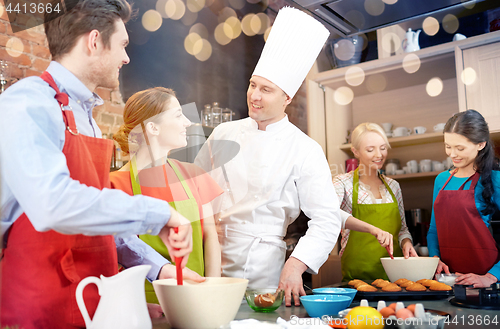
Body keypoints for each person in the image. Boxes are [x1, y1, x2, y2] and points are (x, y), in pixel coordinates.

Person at [0, 1, 194, 328]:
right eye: (122, 45)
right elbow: (55, 204)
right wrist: (159, 214)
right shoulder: (27, 102)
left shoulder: (86, 118)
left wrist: (156, 269)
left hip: (91, 305)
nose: (126, 58)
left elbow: (96, 219)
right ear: (94, 42)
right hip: (40, 309)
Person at [194, 7, 393, 306]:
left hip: (262, 265)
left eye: (266, 89)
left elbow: (326, 218)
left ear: (287, 97)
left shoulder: (305, 148)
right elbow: (193, 188)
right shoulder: (223, 132)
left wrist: (297, 263)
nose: (254, 96)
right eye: (252, 85)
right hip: (207, 256)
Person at [110, 87, 223, 304]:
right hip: (143, 303)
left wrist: (212, 292)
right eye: (178, 115)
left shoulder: (193, 175)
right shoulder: (115, 184)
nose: (187, 123)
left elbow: (211, 240)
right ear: (152, 127)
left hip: (197, 298)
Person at [333, 123, 417, 281]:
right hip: (358, 277)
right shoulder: (342, 183)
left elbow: (402, 229)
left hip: (396, 276)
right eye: (370, 150)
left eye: (383, 148)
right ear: (355, 151)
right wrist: (373, 229)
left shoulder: (394, 186)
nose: (379, 155)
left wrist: (406, 242)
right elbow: (331, 213)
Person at [427, 110, 500, 288]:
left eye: (460, 148)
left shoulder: (495, 180)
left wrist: (491, 277)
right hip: (449, 282)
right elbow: (434, 230)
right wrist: (435, 259)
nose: (453, 154)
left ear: (481, 144)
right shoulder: (442, 180)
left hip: (488, 285)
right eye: (448, 146)